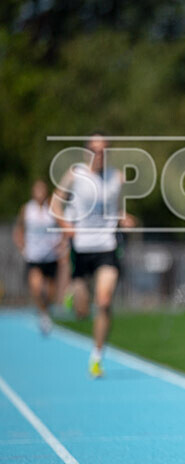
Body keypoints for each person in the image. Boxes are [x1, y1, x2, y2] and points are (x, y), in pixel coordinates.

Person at [51, 133, 136, 378]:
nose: (99, 155)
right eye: (94, 150)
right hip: (81, 247)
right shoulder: (75, 174)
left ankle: (96, 357)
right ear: (87, 151)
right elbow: (55, 205)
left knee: (105, 301)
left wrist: (123, 218)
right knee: (80, 311)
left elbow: (114, 209)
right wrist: (66, 227)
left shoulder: (116, 177)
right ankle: (73, 293)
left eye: (104, 150)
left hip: (107, 246)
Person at [13, 180, 64, 333]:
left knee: (49, 292)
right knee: (36, 287)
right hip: (33, 257)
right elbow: (19, 229)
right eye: (37, 190)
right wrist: (22, 246)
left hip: (50, 256)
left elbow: (64, 227)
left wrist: (61, 243)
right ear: (33, 192)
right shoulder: (27, 209)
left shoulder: (52, 208)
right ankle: (43, 314)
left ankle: (46, 310)